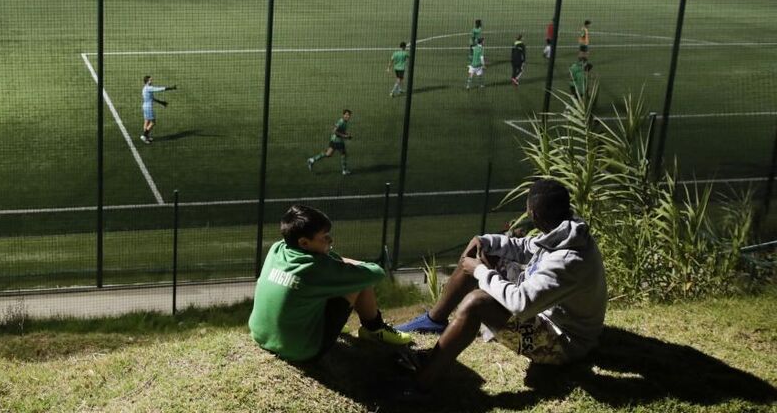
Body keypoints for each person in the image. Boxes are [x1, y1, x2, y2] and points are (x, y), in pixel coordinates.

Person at [395, 180, 607, 390]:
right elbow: (526, 247)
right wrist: (485, 241)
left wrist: (479, 270)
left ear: (534, 215)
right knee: (482, 253)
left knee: (475, 303)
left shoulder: (568, 259)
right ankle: (435, 320)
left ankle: (423, 380)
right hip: (544, 311)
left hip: (564, 344)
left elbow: (521, 304)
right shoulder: (565, 229)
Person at [249, 204, 412, 365]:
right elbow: (375, 273)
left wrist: (338, 261)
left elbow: (326, 265)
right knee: (357, 280)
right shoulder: (315, 268)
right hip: (302, 352)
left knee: (338, 280)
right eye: (324, 237)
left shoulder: (277, 248)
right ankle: (374, 329)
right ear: (304, 243)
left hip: (260, 335)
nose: (330, 239)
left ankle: (368, 328)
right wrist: (353, 264)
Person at [307, 109, 353, 175]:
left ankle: (312, 160)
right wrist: (344, 136)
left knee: (328, 154)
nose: (347, 116)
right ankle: (344, 170)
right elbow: (334, 131)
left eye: (349, 115)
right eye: (346, 115)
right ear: (343, 115)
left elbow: (341, 130)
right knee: (343, 154)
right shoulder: (341, 121)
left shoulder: (344, 122)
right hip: (337, 141)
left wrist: (347, 134)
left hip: (335, 140)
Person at [140, 75, 176, 143]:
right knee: (153, 122)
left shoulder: (144, 88)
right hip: (148, 108)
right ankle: (144, 136)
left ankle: (146, 137)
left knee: (146, 121)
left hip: (144, 106)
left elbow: (152, 99)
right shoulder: (149, 88)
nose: (152, 81)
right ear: (147, 81)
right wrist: (171, 88)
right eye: (150, 80)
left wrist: (162, 102)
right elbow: (159, 89)